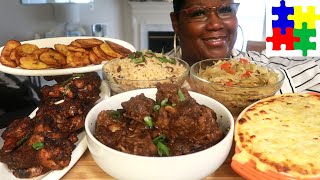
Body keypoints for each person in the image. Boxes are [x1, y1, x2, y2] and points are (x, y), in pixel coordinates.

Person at [168, 0, 320, 94]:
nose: (215, 24)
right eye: (198, 13)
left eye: (225, 10)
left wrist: (266, 88)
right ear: (176, 23)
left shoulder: (261, 66)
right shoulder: (150, 74)